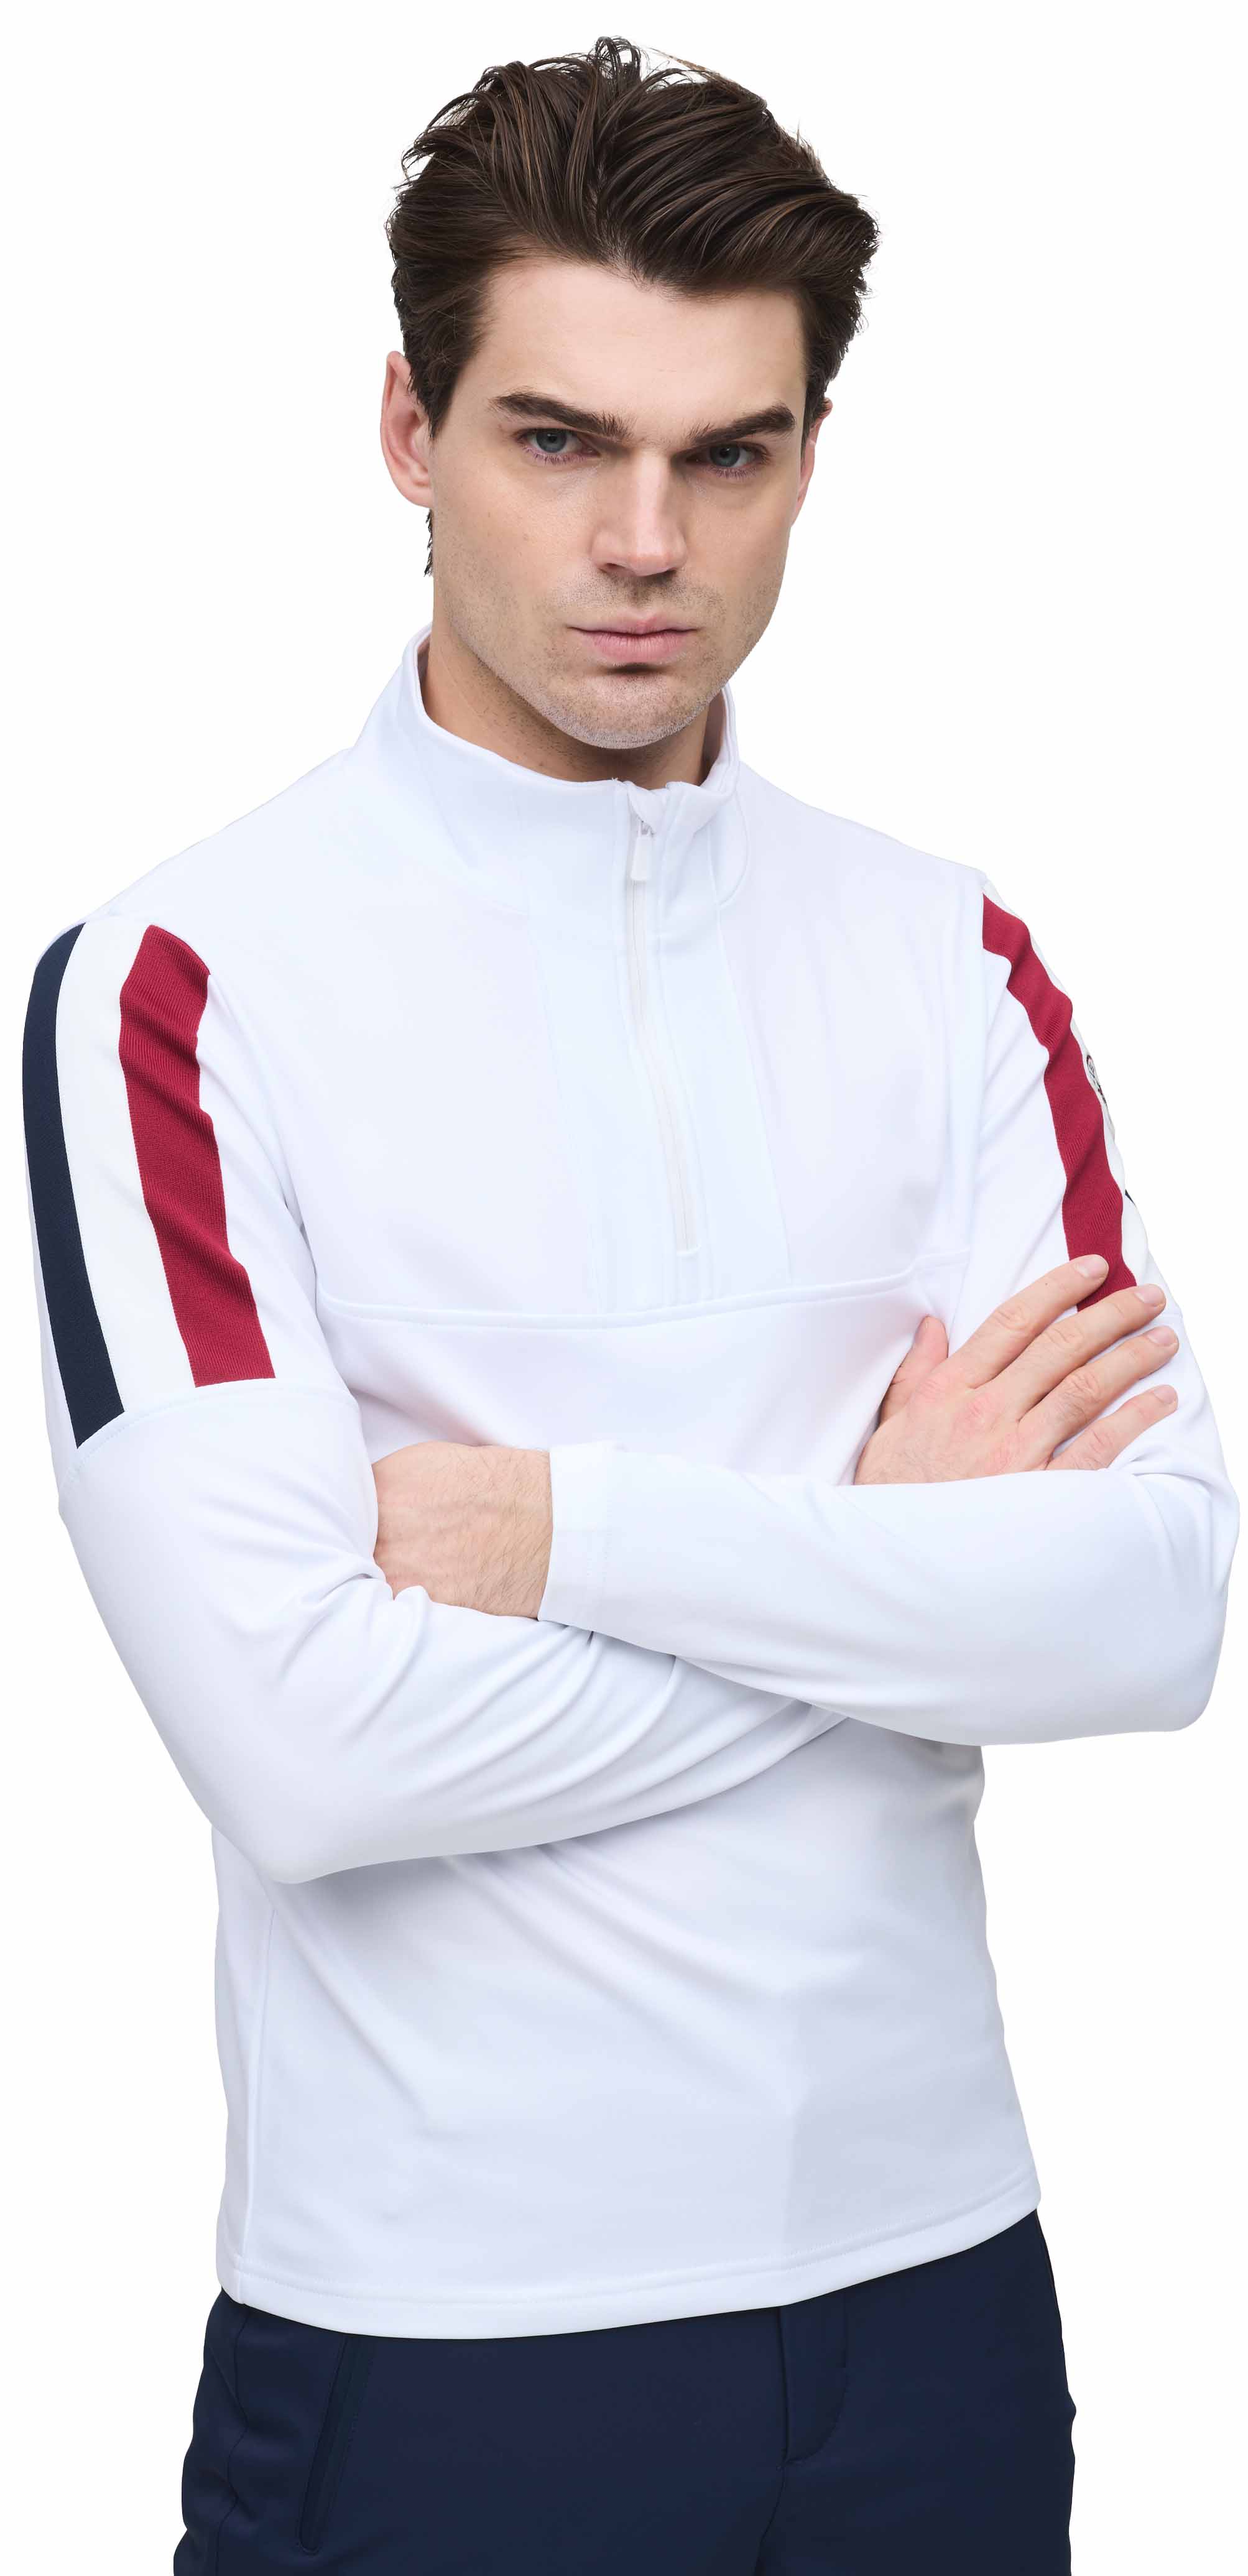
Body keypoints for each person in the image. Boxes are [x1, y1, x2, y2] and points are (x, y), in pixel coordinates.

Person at [20, 35, 1237, 2575]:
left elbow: (1144, 1612)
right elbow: (308, 1748)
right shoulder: (183, 988)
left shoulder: (951, 955)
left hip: (939, 2308)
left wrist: (558, 1533)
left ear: (809, 456)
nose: (645, 542)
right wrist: (895, 1556)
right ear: (408, 427)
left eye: (730, 454)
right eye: (557, 441)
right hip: (444, 2351)